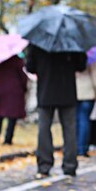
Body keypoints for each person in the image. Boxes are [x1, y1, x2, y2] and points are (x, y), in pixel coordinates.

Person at [26, 45, 87, 178]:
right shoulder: (72, 41)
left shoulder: (38, 41)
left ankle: (44, 165)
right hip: (67, 90)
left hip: (46, 90)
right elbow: (81, 65)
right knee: (69, 129)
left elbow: (30, 66)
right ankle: (70, 165)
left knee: (44, 128)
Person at [0, 55, 28, 144]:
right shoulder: (17, 60)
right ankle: (8, 139)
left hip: (1, 89)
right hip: (14, 90)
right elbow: (23, 76)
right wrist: (24, 87)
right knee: (12, 116)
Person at [75, 61, 96, 156]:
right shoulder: (92, 54)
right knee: (84, 121)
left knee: (74, 121)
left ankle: (74, 147)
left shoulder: (70, 51)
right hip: (87, 90)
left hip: (73, 90)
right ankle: (82, 148)